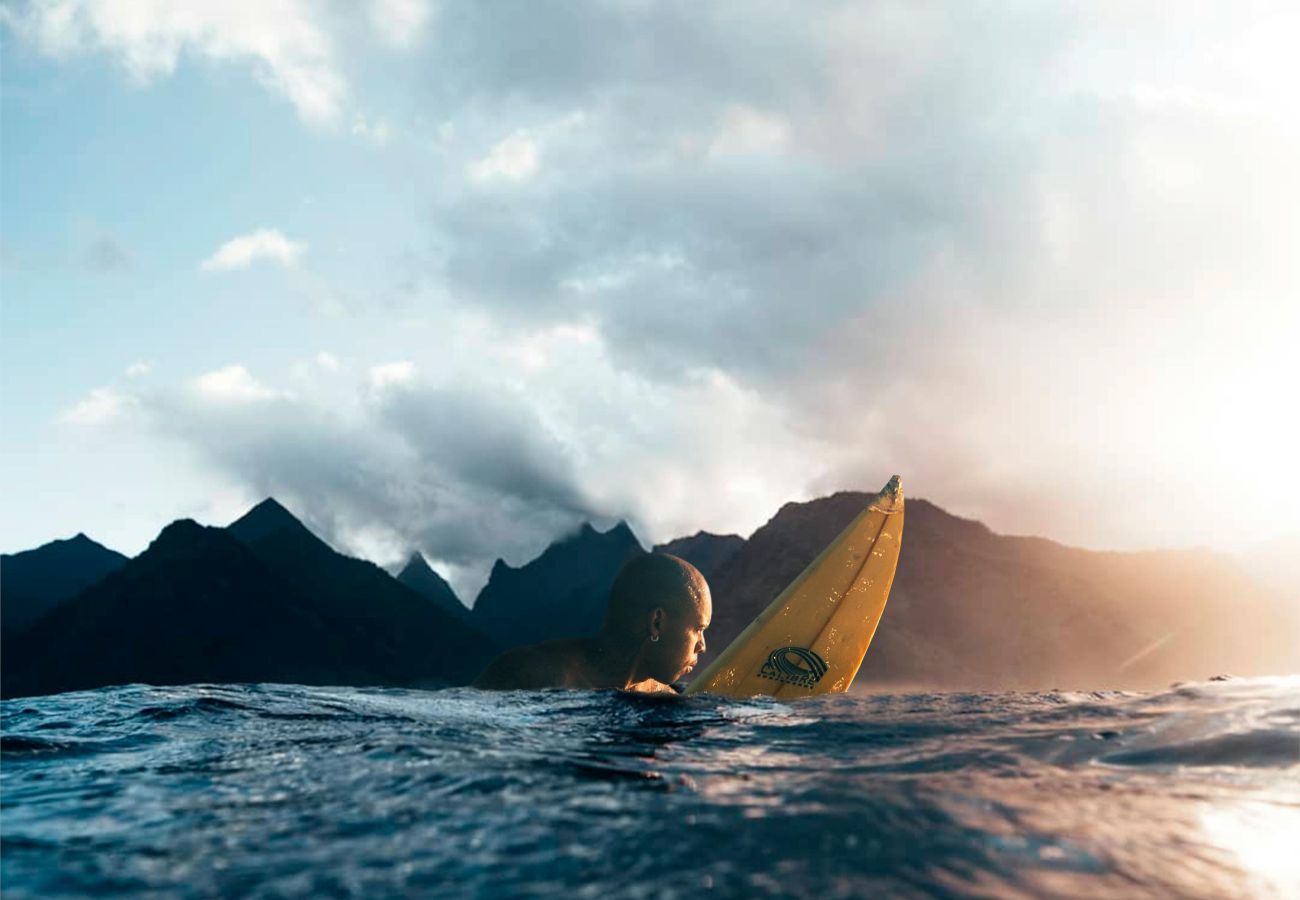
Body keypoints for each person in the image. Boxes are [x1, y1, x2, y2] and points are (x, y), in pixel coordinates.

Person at [472, 553, 711, 693]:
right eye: (698, 629)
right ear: (656, 623)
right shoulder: (537, 678)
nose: (702, 646)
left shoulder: (661, 694)